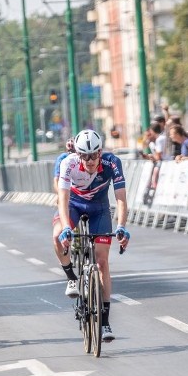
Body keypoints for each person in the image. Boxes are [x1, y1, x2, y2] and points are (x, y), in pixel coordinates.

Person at [54, 129, 130, 342]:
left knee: (102, 261)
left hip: (100, 208)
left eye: (93, 155)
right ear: (77, 154)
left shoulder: (112, 163)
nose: (89, 160)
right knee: (58, 234)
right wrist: (66, 228)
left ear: (100, 152)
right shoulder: (67, 163)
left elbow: (121, 199)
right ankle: (71, 277)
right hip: (74, 205)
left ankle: (104, 321)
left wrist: (122, 226)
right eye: (84, 156)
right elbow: (62, 198)